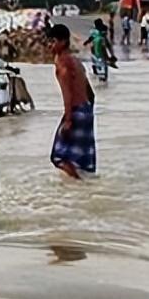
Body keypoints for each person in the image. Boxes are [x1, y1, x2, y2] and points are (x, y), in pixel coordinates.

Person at [47, 23, 96, 179]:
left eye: (53, 41)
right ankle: (84, 189)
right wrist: (88, 112)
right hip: (86, 111)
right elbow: (91, 94)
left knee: (59, 157)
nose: (50, 45)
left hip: (75, 112)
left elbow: (67, 94)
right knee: (83, 161)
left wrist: (68, 119)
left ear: (62, 42)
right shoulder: (77, 62)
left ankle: (79, 185)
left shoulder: (62, 64)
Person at [83, 18, 114, 83]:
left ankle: (98, 74)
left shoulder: (96, 31)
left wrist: (86, 42)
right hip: (98, 47)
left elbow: (91, 38)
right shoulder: (101, 30)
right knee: (102, 62)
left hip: (96, 47)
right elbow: (105, 41)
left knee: (97, 61)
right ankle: (102, 75)